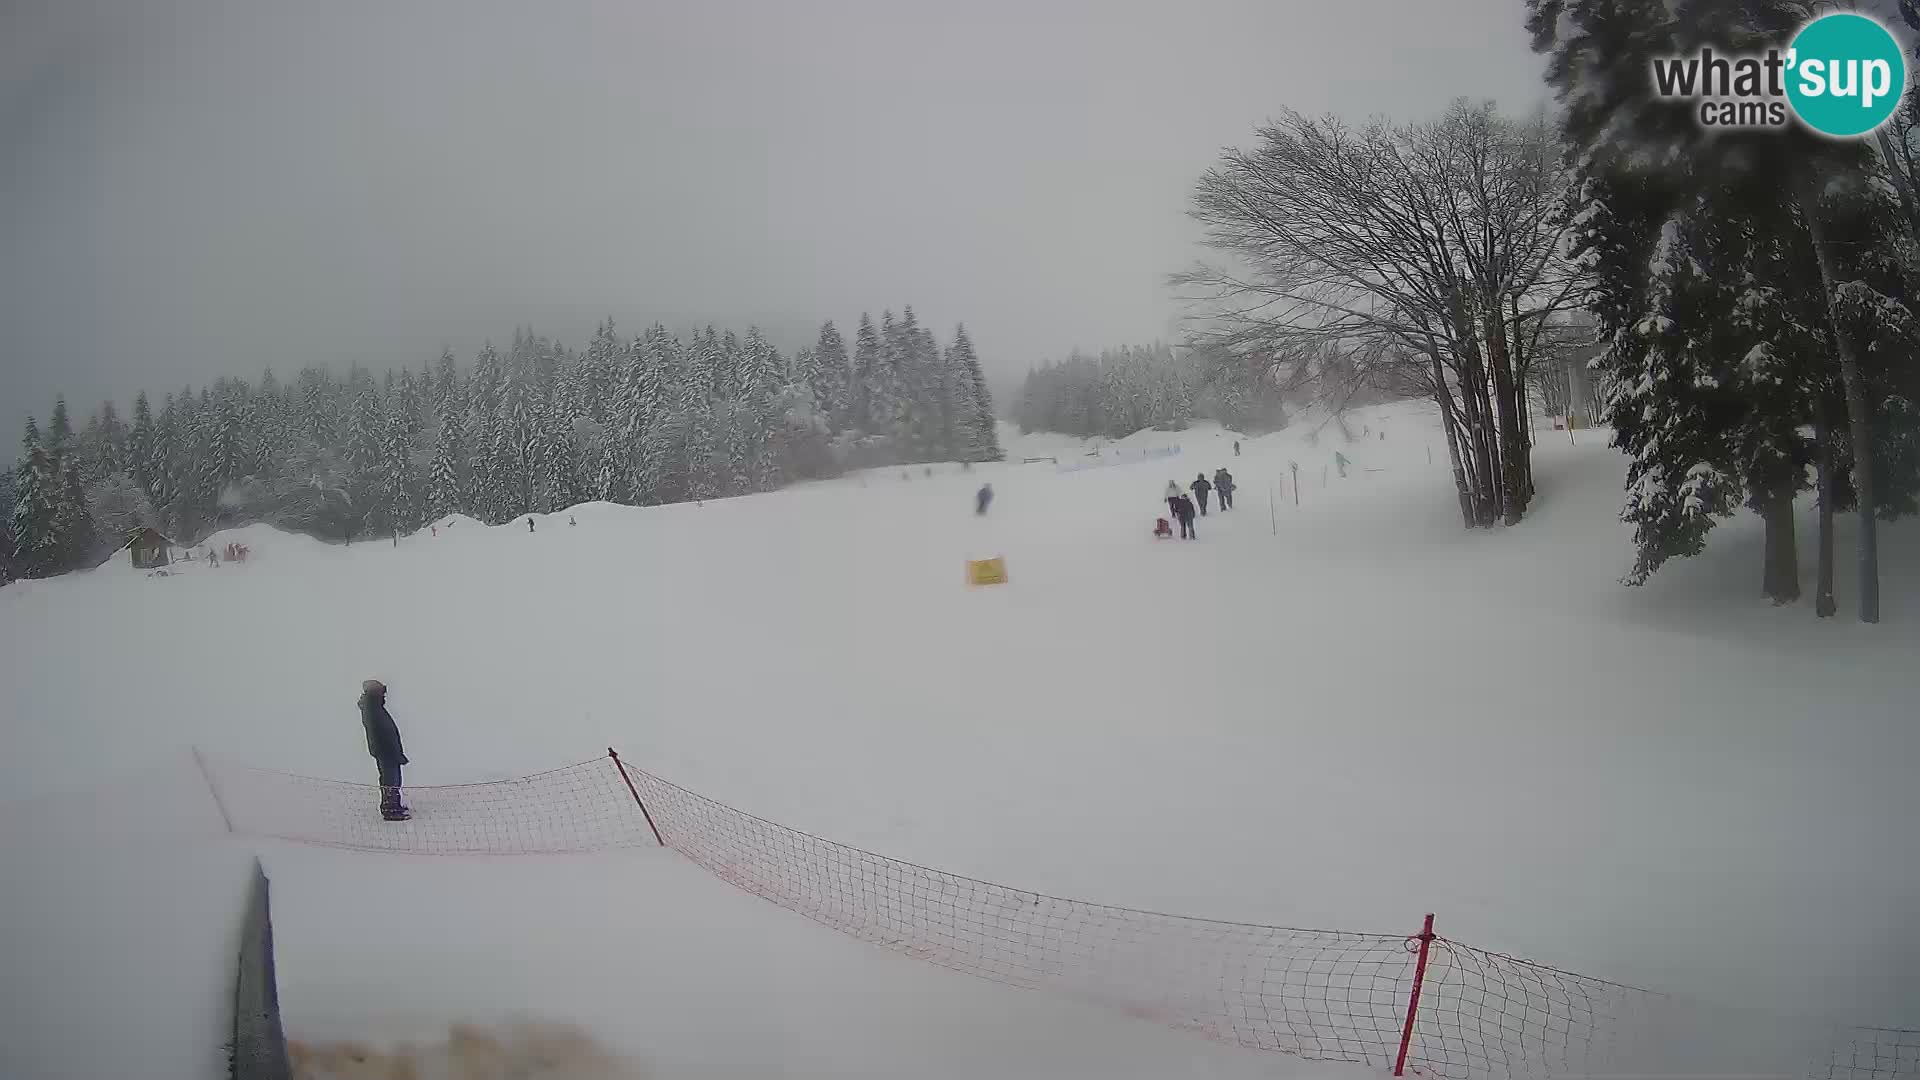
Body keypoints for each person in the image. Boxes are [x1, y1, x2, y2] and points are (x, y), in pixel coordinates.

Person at [359, 679, 410, 821]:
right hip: (385, 751)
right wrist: (394, 752)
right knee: (390, 780)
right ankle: (390, 810)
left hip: (387, 751)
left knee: (394, 780)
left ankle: (394, 805)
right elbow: (382, 734)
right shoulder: (372, 709)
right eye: (381, 691)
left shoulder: (375, 708)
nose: (384, 694)